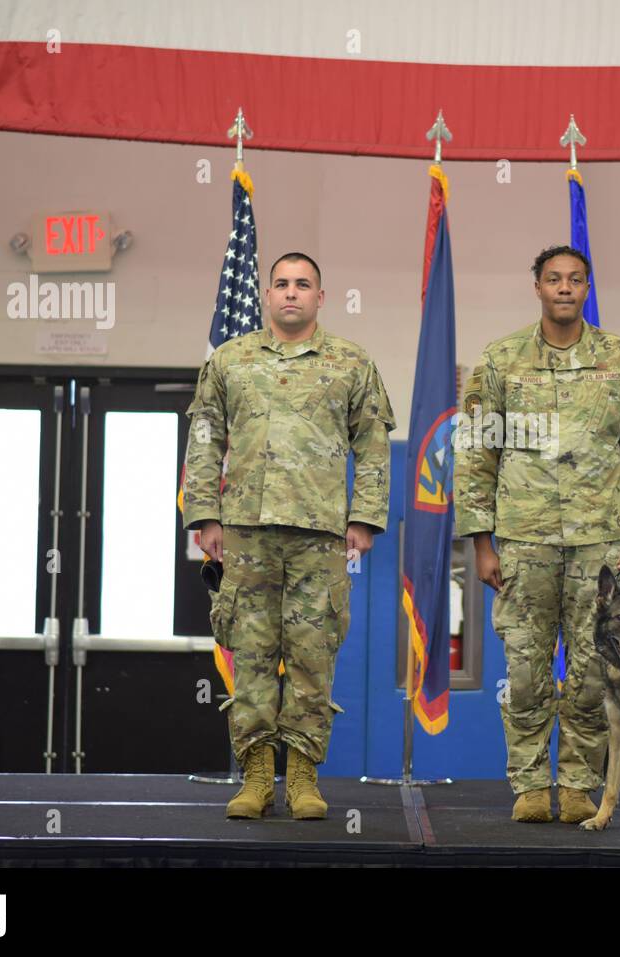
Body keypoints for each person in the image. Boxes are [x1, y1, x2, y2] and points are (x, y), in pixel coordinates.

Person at [454, 244, 620, 823]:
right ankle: (529, 784)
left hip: (601, 542)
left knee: (593, 667)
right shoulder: (501, 362)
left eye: (576, 279)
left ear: (587, 286)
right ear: (538, 287)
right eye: (554, 279)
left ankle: (577, 783)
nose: (565, 289)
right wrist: (481, 540)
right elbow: (477, 452)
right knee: (525, 667)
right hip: (523, 542)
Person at [183, 252, 395, 820]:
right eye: (282, 284)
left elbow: (372, 447)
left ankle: (302, 777)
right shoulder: (230, 361)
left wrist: (364, 518)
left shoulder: (351, 363)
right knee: (250, 652)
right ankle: (255, 777)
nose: (292, 293)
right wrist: (204, 515)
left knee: (312, 653)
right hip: (245, 532)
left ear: (320, 297)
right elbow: (205, 439)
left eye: (303, 284)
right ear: (267, 295)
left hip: (320, 534)